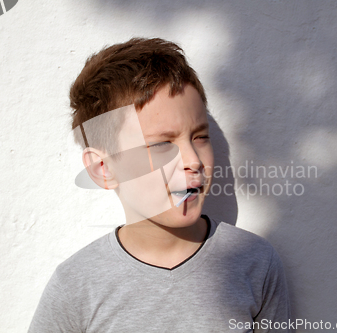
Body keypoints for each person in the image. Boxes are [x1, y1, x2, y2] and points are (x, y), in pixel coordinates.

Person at [28, 37, 291, 333]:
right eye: (163, 144)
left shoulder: (255, 262)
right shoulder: (76, 286)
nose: (193, 159)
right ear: (104, 169)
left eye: (200, 137)